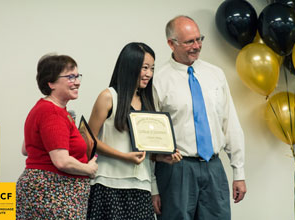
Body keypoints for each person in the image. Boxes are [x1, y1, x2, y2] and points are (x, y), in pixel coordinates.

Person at [152, 15, 247, 220]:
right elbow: (151, 138)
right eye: (189, 42)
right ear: (171, 43)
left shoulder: (216, 75)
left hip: (213, 167)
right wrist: (153, 187)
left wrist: (238, 172)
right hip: (176, 170)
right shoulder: (158, 81)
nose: (197, 46)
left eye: (199, 39)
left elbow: (230, 124)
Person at [86, 42, 181, 220]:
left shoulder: (149, 100)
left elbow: (144, 149)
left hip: (141, 188)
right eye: (145, 68)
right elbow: (88, 140)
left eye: (152, 68)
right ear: (130, 66)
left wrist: (161, 157)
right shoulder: (108, 97)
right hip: (109, 184)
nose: (149, 74)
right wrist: (123, 156)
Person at [16, 54, 98, 219]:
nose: (77, 82)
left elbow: (26, 149)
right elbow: (62, 161)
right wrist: (88, 169)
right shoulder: (52, 112)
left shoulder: (47, 108)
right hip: (53, 194)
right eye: (70, 77)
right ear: (51, 83)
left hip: (48, 193)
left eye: (77, 76)